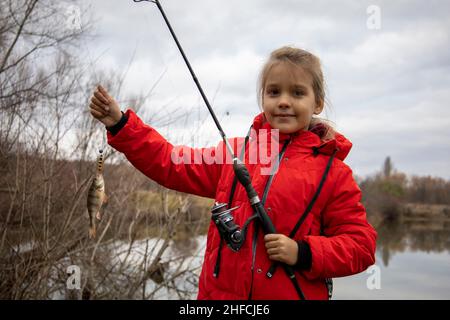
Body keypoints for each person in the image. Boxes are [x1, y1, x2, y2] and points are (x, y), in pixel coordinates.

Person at [89, 46, 377, 300]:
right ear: (262, 98)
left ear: (317, 103)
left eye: (297, 92)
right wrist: (121, 125)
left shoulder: (335, 173)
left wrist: (303, 252)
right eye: (274, 92)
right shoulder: (234, 154)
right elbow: (173, 164)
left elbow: (361, 246)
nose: (284, 101)